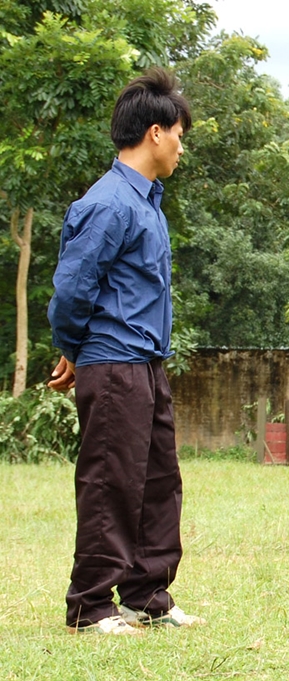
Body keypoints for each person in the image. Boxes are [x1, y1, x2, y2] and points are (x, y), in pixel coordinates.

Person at [47, 67, 204, 634]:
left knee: (159, 481)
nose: (182, 146)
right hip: (113, 363)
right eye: (180, 134)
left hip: (144, 365)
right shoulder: (110, 203)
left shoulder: (147, 202)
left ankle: (146, 594)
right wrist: (73, 348)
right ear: (157, 133)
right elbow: (72, 290)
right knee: (111, 481)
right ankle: (90, 605)